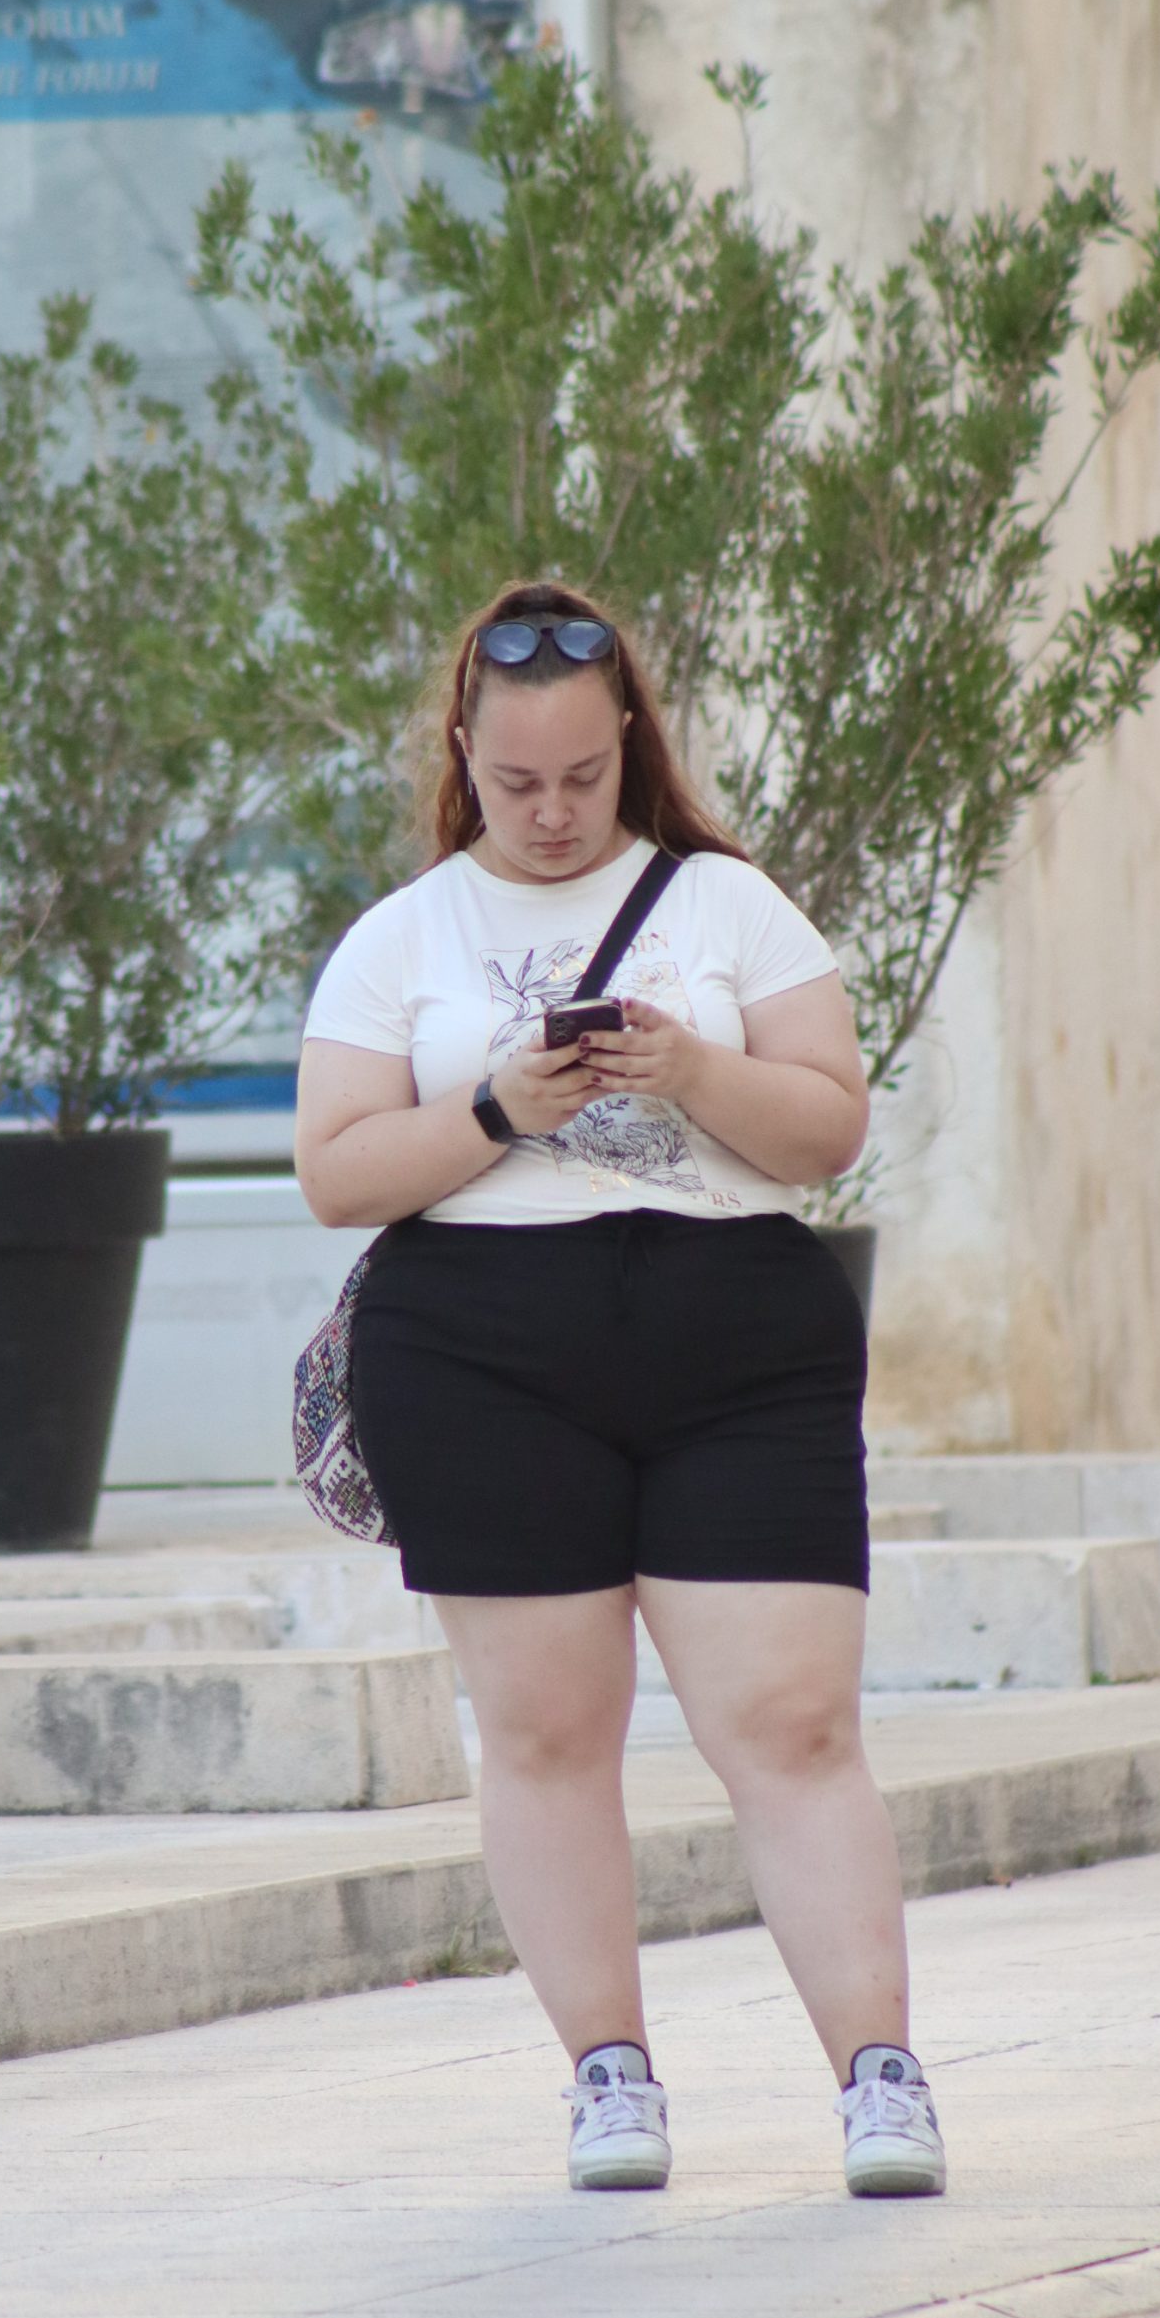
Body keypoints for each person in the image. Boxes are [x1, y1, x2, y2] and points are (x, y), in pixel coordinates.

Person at [294, 580, 946, 2200]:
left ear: (630, 746)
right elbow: (336, 1172)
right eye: (519, 780)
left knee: (791, 1722)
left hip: (736, 1337)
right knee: (546, 1731)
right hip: (480, 1349)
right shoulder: (404, 937)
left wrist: (693, 1069)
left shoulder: (729, 906)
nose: (553, 810)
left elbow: (828, 1128)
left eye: (584, 776)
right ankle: (608, 2078)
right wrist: (499, 1108)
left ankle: (880, 2079)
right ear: (465, 755)